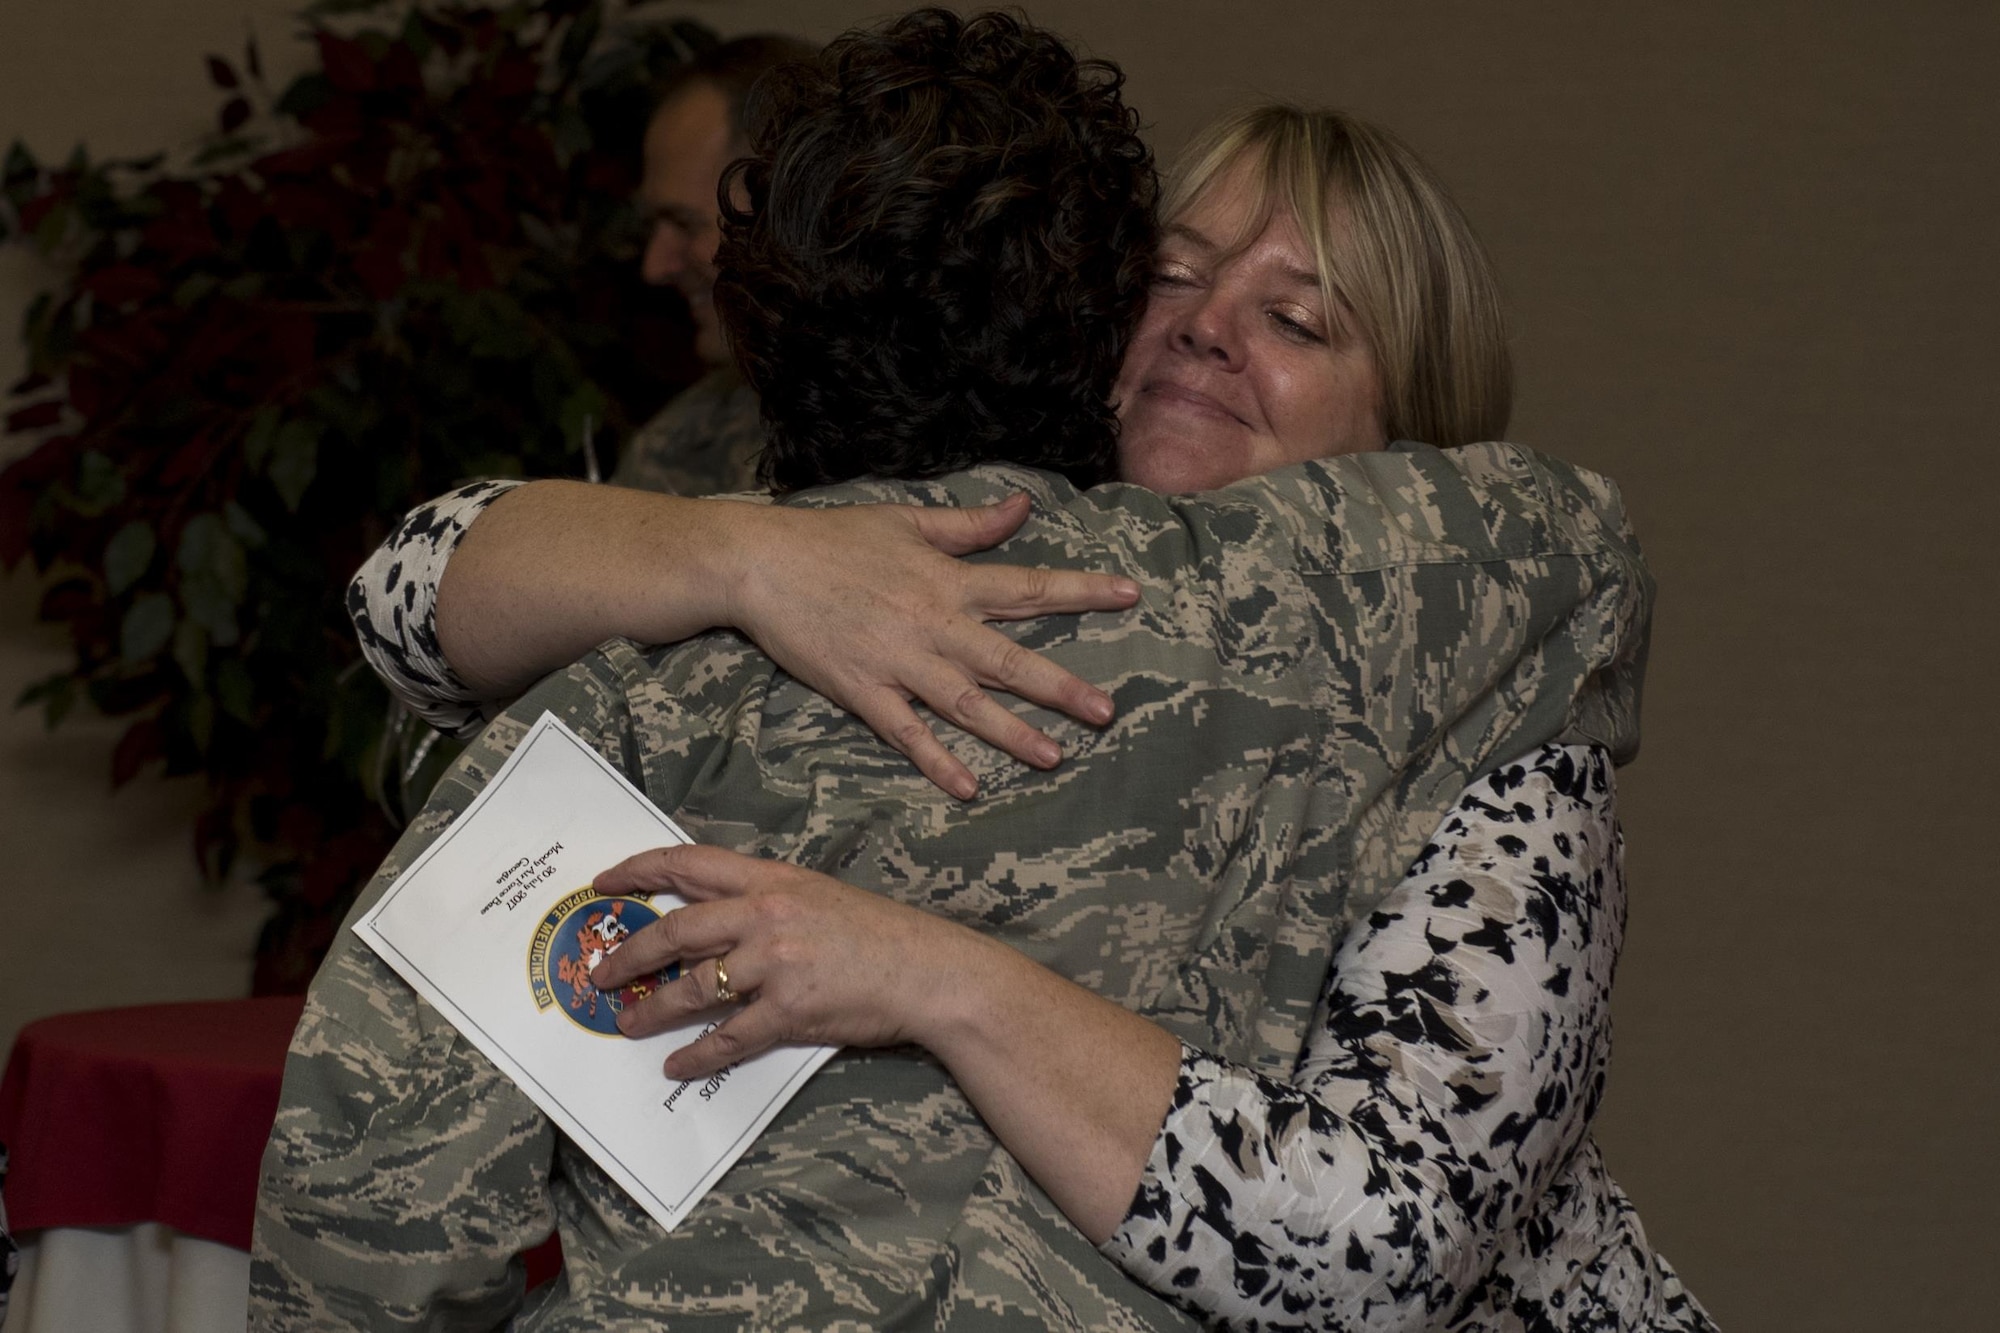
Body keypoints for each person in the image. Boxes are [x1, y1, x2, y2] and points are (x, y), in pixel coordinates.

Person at [262, 13, 1689, 1331]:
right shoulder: (760, 615)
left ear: (1420, 436)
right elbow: (406, 596)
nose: (1203, 324)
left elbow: (1383, 1251)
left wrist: (929, 974)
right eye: (1173, 274)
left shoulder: (1474, 696)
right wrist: (744, 560)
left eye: (1298, 319)